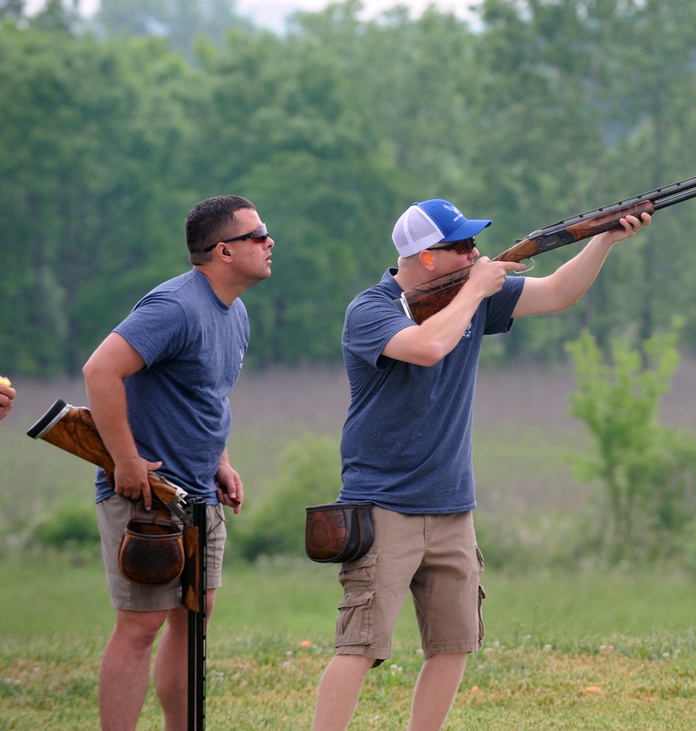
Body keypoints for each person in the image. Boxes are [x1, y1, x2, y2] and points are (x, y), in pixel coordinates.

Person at [312, 198, 651, 730]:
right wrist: (477, 287)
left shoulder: (471, 296)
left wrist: (604, 237)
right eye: (462, 246)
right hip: (383, 508)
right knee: (361, 645)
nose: (476, 254)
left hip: (452, 504)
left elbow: (559, 292)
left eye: (475, 244)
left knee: (453, 643)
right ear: (426, 258)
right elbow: (427, 346)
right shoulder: (371, 309)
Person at [81, 195, 274, 731]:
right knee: (139, 628)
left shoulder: (236, 313)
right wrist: (125, 460)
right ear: (224, 252)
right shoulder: (175, 307)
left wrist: (222, 460)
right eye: (257, 235)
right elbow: (100, 371)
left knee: (194, 622)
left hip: (200, 494)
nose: (269, 242)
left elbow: (207, 395)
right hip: (146, 495)